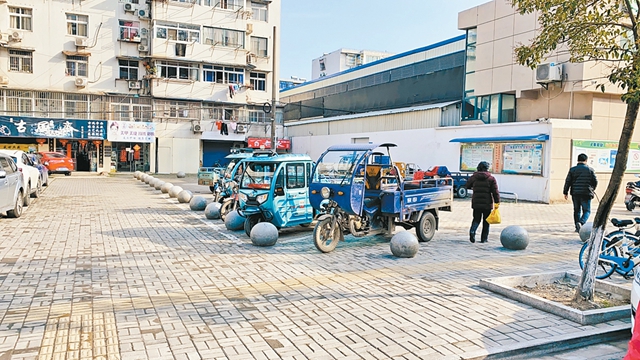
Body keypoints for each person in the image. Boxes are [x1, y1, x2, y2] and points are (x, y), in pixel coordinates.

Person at [465, 161, 500, 243]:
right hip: (487, 204)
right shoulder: (491, 179)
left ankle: (472, 231)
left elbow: (467, 185)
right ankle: (484, 239)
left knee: (476, 219)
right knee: (486, 221)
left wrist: (474, 187)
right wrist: (497, 202)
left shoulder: (474, 177)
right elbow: (495, 192)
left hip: (476, 202)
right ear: (487, 168)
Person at [563, 153, 597, 232]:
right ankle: (581, 223)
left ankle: (577, 226)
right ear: (586, 160)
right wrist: (592, 189)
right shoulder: (590, 170)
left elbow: (568, 181)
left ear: (578, 160)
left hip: (575, 193)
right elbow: (595, 181)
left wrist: (565, 192)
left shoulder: (572, 169)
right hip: (586, 193)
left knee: (577, 210)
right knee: (587, 211)